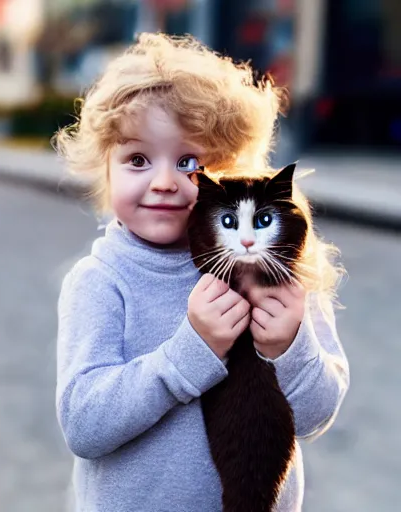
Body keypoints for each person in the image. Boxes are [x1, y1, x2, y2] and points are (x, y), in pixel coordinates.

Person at [54, 33, 349, 512]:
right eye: (137, 160)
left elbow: (315, 416)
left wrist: (288, 348)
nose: (166, 181)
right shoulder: (101, 280)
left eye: (190, 162)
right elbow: (84, 425)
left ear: (233, 172)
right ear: (104, 168)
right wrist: (190, 352)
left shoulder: (274, 267)